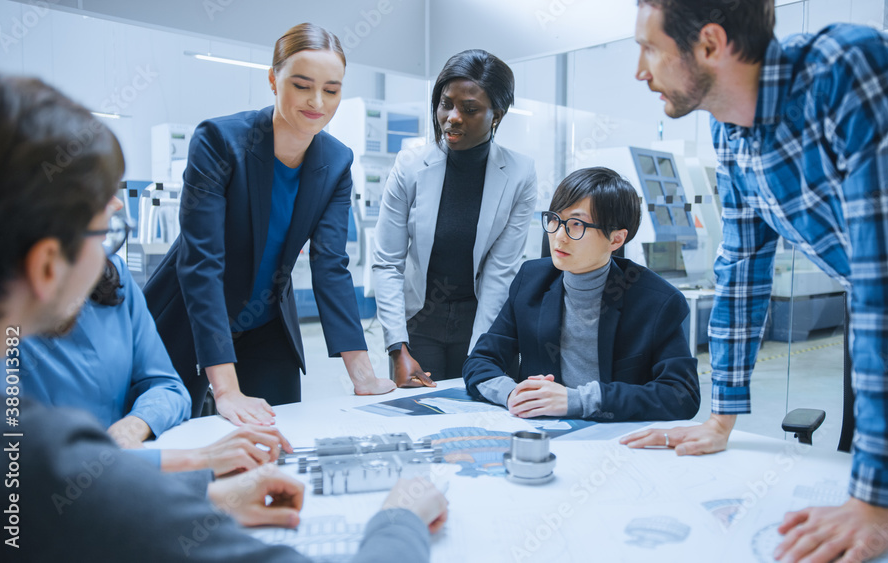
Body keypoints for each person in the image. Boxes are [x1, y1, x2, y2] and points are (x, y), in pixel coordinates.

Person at [0, 72, 447, 562]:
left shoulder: (22, 438)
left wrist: (203, 479)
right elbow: (73, 487)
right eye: (106, 227)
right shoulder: (28, 448)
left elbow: (82, 479)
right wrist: (399, 519)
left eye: (332, 88)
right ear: (45, 265)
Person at [620, 1, 888, 561]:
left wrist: (873, 505)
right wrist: (722, 417)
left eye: (649, 48)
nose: (639, 72)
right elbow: (741, 275)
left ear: (711, 44)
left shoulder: (852, 75)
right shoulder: (731, 135)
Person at [144, 23, 395, 427]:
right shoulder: (220, 142)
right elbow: (201, 264)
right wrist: (226, 390)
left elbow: (330, 264)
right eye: (301, 85)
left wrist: (362, 374)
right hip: (192, 315)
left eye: (331, 90)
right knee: (175, 437)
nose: (317, 102)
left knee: (279, 434)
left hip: (265, 320)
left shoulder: (336, 161)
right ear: (273, 80)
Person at [9, 230, 294, 477]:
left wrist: (135, 425)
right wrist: (199, 461)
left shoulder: (113, 273)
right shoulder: (7, 318)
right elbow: (28, 462)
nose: (118, 203)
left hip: (125, 481)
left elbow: (167, 387)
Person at [463, 167, 699, 421]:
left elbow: (682, 394)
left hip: (615, 442)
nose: (559, 236)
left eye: (577, 224)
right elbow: (480, 361)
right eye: (555, 219)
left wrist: (575, 401)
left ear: (616, 240)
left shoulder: (657, 302)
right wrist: (513, 395)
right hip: (543, 433)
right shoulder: (531, 281)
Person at [372, 49, 538, 387]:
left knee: (482, 420)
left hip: (483, 319)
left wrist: (482, 355)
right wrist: (396, 347)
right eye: (446, 103)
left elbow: (499, 271)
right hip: (420, 320)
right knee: (419, 417)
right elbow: (388, 262)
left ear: (497, 116)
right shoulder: (409, 166)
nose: (453, 117)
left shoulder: (520, 173)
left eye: (470, 109)